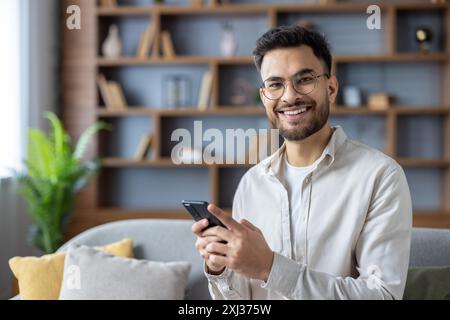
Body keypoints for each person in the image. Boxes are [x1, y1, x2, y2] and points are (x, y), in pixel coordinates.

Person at [192, 25, 412, 300]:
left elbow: (383, 296)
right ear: (264, 97)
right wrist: (221, 267)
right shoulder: (252, 183)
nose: (289, 96)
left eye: (304, 79)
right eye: (275, 84)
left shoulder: (380, 176)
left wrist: (271, 268)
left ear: (330, 88)